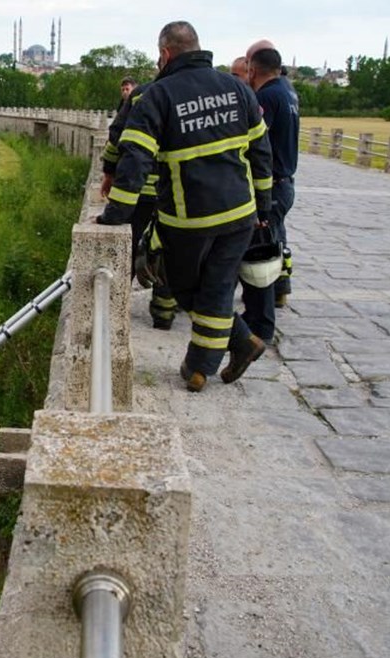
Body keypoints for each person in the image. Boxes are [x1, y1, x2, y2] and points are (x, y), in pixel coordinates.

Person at [98, 20, 272, 392]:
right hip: (241, 214)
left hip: (188, 219)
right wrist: (265, 208)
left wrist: (114, 218)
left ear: (164, 54)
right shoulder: (236, 88)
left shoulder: (158, 96)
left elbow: (135, 162)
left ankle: (221, 354)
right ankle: (213, 358)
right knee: (219, 286)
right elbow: (261, 152)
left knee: (182, 285)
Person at [101, 78, 178, 329]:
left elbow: (116, 138)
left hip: (140, 189)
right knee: (166, 251)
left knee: (129, 249)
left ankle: (112, 310)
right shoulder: (188, 94)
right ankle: (163, 314)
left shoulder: (141, 95)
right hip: (173, 191)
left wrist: (109, 172)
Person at [245, 45, 299, 315]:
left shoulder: (267, 97)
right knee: (277, 239)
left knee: (263, 245)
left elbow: (256, 141)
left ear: (253, 70)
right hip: (286, 182)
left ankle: (263, 305)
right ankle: (280, 291)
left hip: (273, 183)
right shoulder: (288, 92)